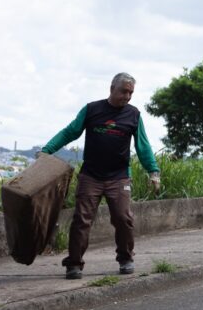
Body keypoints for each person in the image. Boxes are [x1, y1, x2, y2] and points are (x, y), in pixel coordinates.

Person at [41, 73, 161, 279]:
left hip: (119, 177)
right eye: (124, 91)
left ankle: (126, 258)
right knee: (81, 220)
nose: (127, 96)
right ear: (112, 88)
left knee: (123, 219)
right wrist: (47, 150)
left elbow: (143, 145)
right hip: (91, 176)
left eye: (131, 92)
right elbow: (70, 132)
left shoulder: (134, 115)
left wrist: (154, 171)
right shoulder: (92, 109)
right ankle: (74, 264)